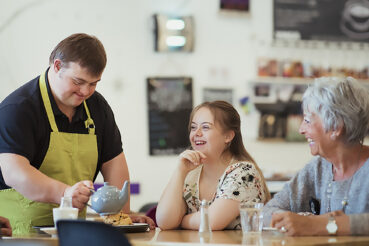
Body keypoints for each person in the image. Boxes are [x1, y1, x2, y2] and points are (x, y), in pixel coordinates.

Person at [0, 33, 155, 235]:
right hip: (19, 233)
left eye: (93, 83)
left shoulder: (97, 107)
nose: (85, 91)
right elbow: (15, 173)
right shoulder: (19, 108)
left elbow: (114, 163)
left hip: (74, 233)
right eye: (78, 81)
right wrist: (65, 193)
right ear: (57, 66)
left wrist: (120, 214)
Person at [263, 77, 369, 236]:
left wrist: (322, 225)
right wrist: (304, 220)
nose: (301, 130)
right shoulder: (318, 168)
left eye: (307, 120)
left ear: (336, 127)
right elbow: (268, 212)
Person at [156, 100, 270, 230]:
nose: (196, 133)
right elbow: (165, 221)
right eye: (193, 127)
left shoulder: (245, 172)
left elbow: (211, 222)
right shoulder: (190, 173)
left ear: (228, 136)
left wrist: (181, 221)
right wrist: (180, 171)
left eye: (205, 127)